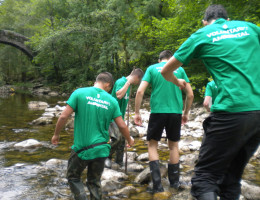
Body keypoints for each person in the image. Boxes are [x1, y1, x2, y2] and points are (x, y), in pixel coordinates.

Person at [161, 4, 260, 200]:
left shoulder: (202, 34)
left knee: (204, 179)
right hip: (257, 113)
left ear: (205, 22)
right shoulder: (251, 28)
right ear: (228, 19)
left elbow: (165, 71)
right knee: (231, 178)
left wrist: (178, 81)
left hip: (231, 110)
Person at [51, 72, 134, 200]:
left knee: (73, 177)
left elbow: (63, 116)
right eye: (110, 88)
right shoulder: (111, 101)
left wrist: (56, 134)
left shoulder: (79, 93)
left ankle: (81, 197)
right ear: (108, 84)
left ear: (97, 81)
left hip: (81, 149)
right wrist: (129, 139)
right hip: (101, 150)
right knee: (94, 182)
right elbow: (121, 126)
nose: (109, 90)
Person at [134, 50, 194, 193]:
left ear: (159, 58)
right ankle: (174, 183)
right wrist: (185, 113)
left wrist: (136, 112)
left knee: (152, 145)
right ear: (171, 58)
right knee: (173, 146)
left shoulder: (152, 69)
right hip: (175, 113)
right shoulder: (179, 70)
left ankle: (157, 186)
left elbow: (140, 92)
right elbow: (190, 94)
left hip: (158, 112)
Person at [105, 68, 144, 167]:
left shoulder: (129, 86)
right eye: (138, 81)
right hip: (112, 116)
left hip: (120, 116)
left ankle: (119, 162)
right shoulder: (121, 82)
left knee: (122, 140)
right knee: (117, 138)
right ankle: (106, 156)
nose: (138, 83)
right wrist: (128, 83)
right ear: (136, 77)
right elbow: (119, 95)